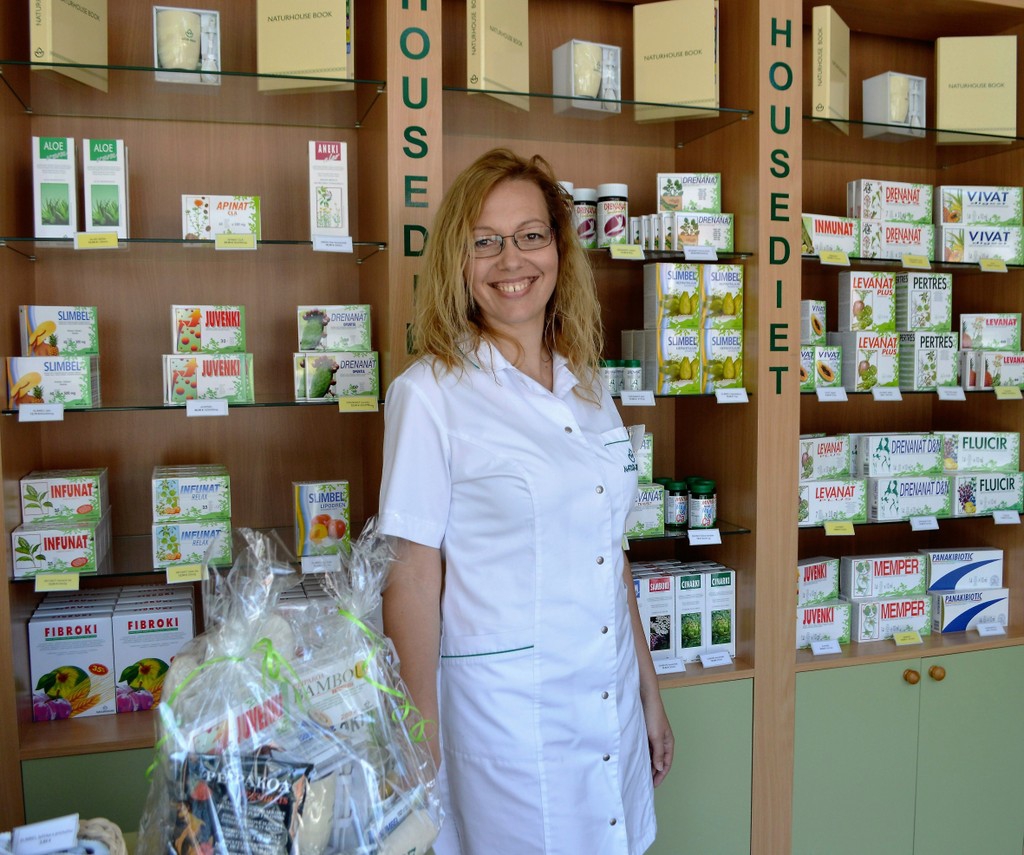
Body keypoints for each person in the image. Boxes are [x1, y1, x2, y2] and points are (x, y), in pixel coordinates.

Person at [377, 148, 674, 854]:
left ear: (560, 250)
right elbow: (411, 578)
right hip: (509, 721)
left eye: (531, 235)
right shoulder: (429, 394)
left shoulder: (588, 386)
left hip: (609, 705)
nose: (511, 260)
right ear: (458, 261)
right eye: (485, 241)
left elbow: (610, 554)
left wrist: (649, 692)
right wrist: (420, 742)